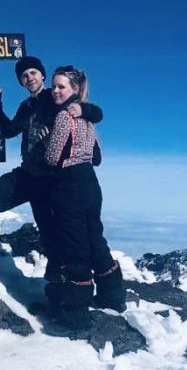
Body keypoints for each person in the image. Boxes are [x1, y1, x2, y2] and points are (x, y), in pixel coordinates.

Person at [0, 55, 104, 281]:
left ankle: (57, 291)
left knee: (51, 236)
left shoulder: (56, 96)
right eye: (24, 75)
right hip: (28, 176)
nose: (29, 78)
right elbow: (9, 131)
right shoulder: (26, 106)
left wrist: (84, 110)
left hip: (53, 181)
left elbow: (94, 112)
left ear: (43, 75)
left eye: (33, 73)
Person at [42, 65, 125, 328]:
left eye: (61, 86)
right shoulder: (87, 119)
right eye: (54, 86)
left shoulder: (64, 117)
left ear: (74, 89)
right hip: (90, 183)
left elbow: (52, 157)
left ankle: (76, 314)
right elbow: (98, 157)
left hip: (69, 186)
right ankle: (113, 296)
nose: (55, 91)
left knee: (75, 248)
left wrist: (46, 141)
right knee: (95, 240)